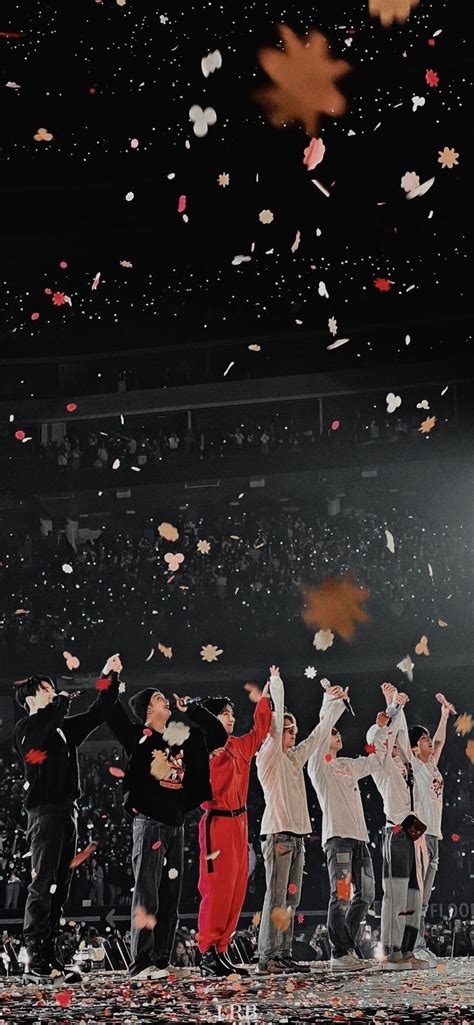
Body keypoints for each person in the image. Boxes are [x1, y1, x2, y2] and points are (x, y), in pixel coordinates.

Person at [101, 673, 227, 980]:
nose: (166, 701)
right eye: (159, 699)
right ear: (147, 709)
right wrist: (112, 675)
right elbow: (108, 707)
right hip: (149, 824)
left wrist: (194, 710)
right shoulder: (138, 737)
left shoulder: (179, 735)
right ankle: (140, 963)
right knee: (148, 895)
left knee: (171, 897)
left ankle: (160, 959)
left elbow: (217, 736)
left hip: (174, 824)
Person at [13, 654, 120, 982]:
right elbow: (38, 743)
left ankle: (52, 954)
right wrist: (58, 707)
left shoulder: (61, 729)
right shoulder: (27, 729)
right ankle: (34, 957)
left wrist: (108, 679)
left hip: (66, 812)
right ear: (32, 699)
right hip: (44, 813)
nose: (53, 692)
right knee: (42, 882)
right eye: (47, 689)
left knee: (60, 886)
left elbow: (97, 713)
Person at [256, 666, 349, 975]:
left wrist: (332, 703)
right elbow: (276, 714)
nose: (292, 733)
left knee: (291, 900)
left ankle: (282, 955)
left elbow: (319, 733)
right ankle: (269, 956)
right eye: (286, 728)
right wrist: (277, 683)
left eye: (293, 728)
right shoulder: (268, 756)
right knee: (277, 897)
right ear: (273, 732)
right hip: (278, 834)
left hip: (296, 837)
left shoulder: (295, 758)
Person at [307, 685, 395, 972]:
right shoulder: (318, 766)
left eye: (338, 732)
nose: (338, 734)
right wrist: (330, 701)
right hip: (338, 840)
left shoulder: (347, 763)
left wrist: (380, 730)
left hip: (359, 840)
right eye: (334, 733)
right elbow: (322, 729)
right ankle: (340, 951)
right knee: (342, 895)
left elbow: (376, 759)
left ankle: (346, 945)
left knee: (367, 894)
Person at [197, 682, 272, 977]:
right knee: (217, 890)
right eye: (225, 714)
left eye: (232, 713)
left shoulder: (239, 746)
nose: (231, 718)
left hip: (240, 824)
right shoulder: (203, 748)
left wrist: (265, 698)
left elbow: (260, 730)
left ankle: (222, 950)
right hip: (217, 823)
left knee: (236, 891)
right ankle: (206, 953)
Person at [367, 684, 431, 970]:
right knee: (395, 894)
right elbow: (380, 736)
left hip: (413, 834)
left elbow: (400, 731)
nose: (393, 742)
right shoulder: (381, 764)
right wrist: (390, 709)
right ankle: (392, 952)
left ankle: (406, 950)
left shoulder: (406, 760)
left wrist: (397, 705)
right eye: (388, 739)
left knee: (414, 893)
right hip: (396, 833)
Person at [404, 698, 450, 962]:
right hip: (420, 835)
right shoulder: (415, 765)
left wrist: (444, 716)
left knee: (425, 896)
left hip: (435, 835)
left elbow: (441, 742)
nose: (430, 741)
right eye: (424, 738)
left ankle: (418, 945)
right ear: (413, 746)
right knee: (417, 894)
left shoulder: (431, 765)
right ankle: (414, 946)